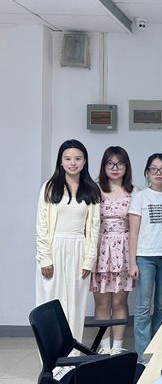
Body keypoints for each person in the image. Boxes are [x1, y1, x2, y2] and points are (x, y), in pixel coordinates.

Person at [35, 139, 101, 345]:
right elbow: (41, 225)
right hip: (53, 248)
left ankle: (72, 357)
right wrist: (45, 257)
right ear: (60, 161)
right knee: (50, 305)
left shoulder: (92, 189)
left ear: (84, 161)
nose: (73, 163)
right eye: (68, 158)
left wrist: (89, 260)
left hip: (79, 249)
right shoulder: (49, 187)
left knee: (75, 305)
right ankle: (51, 358)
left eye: (78, 158)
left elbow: (94, 228)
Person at [90, 146, 136, 355]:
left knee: (119, 301)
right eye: (110, 163)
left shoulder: (134, 192)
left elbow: (136, 227)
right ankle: (103, 346)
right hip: (100, 249)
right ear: (104, 166)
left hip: (124, 250)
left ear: (126, 166)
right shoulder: (94, 189)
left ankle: (117, 346)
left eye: (120, 163)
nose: (115, 168)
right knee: (102, 302)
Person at [128, 153, 162, 361]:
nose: (158, 173)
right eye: (153, 169)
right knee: (143, 308)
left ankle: (158, 352)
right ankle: (143, 358)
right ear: (147, 173)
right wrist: (132, 262)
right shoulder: (140, 197)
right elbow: (133, 232)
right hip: (145, 258)